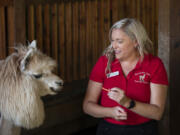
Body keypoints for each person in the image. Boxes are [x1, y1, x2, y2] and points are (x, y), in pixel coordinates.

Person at [83, 18, 168, 135]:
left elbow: (157, 113)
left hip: (143, 130)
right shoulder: (104, 62)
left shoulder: (154, 64)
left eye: (119, 41)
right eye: (112, 40)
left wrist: (128, 103)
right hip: (108, 129)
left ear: (136, 41)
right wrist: (110, 112)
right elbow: (87, 106)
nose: (114, 46)